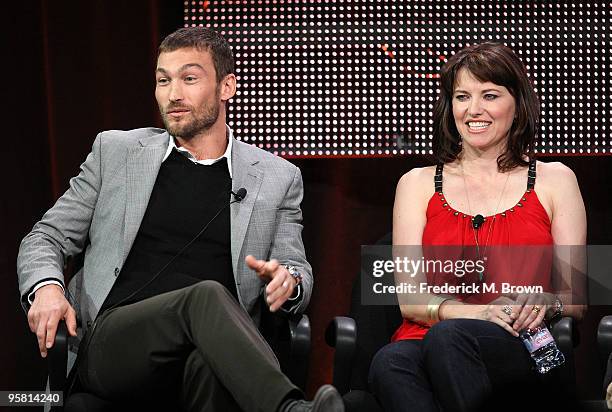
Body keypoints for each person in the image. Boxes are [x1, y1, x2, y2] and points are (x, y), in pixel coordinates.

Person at [17, 27, 344, 412]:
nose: (173, 95)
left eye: (189, 78)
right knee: (204, 295)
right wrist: (47, 288)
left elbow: (296, 270)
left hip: (207, 353)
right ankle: (289, 410)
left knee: (209, 365)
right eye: (163, 80)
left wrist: (287, 282)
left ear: (227, 87)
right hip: (114, 345)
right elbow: (46, 237)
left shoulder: (277, 177)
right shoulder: (116, 152)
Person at [368, 42, 587, 411]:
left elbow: (577, 299)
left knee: (448, 339)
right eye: (462, 96)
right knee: (389, 363)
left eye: (489, 95)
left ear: (516, 105)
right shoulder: (416, 183)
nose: (473, 110)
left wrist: (546, 301)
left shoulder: (557, 179)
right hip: (426, 335)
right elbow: (410, 300)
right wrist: (479, 312)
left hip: (524, 339)